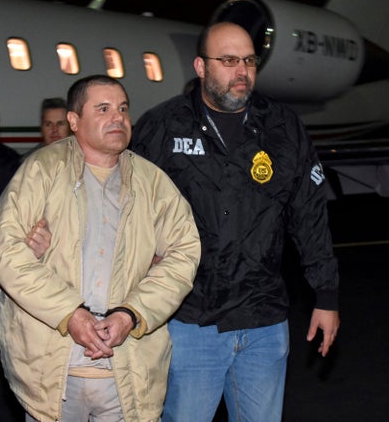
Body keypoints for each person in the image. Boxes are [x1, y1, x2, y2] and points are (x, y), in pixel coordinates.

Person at [130, 21, 340, 422]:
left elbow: (309, 214)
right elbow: (127, 207)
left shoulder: (283, 127)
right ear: (200, 66)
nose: (241, 71)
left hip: (264, 320)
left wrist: (326, 295)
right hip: (189, 321)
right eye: (228, 60)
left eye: (248, 60)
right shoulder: (162, 126)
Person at [0, 74, 201, 422]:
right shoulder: (41, 171)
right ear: (74, 120)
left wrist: (132, 314)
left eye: (123, 109)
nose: (118, 118)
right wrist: (71, 314)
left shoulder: (153, 183)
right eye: (103, 109)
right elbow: (2, 248)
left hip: (127, 374)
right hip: (53, 376)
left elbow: (184, 254)